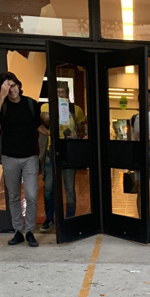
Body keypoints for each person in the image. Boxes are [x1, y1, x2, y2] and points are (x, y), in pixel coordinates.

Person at [0, 71, 48, 247]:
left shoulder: (31, 104)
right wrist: (1, 97)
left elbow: (38, 126)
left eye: (13, 85)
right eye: (6, 87)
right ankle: (18, 231)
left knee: (31, 195)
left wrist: (52, 134)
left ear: (19, 85)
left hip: (30, 157)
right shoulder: (0, 104)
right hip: (9, 157)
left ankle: (30, 231)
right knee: (13, 196)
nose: (11, 90)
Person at [39, 82, 86, 230]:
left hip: (68, 151)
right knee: (49, 187)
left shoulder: (76, 110)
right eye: (57, 92)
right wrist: (59, 108)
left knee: (69, 187)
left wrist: (76, 135)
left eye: (62, 92)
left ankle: (70, 218)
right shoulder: (46, 107)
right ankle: (49, 218)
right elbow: (47, 120)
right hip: (51, 150)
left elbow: (81, 130)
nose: (60, 94)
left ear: (67, 93)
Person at [132, 89, 150, 204]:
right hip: (140, 158)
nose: (144, 100)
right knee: (140, 191)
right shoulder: (133, 119)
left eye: (147, 98)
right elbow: (133, 140)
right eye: (141, 98)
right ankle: (142, 215)